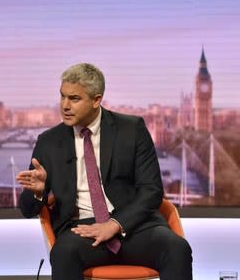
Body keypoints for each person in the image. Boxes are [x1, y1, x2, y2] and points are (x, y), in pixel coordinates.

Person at [16, 63, 192, 280]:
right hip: (81, 231)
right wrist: (38, 192)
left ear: (96, 100)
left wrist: (115, 224)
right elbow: (26, 209)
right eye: (62, 96)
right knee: (63, 253)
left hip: (134, 226)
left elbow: (152, 190)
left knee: (177, 249)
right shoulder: (49, 142)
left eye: (74, 98)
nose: (64, 105)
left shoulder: (132, 129)